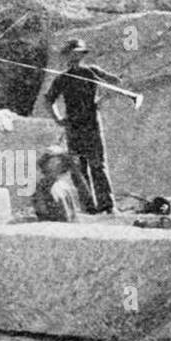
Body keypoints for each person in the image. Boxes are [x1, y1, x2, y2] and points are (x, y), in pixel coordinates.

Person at [44, 38, 121, 214]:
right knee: (79, 169)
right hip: (73, 128)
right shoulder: (62, 79)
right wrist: (58, 118)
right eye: (73, 52)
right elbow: (48, 100)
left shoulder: (91, 72)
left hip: (92, 125)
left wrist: (107, 92)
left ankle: (107, 206)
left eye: (79, 52)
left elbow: (114, 81)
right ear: (68, 55)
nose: (76, 56)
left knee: (98, 166)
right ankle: (89, 207)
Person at [32, 147, 86, 222]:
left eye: (58, 163)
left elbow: (71, 214)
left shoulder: (62, 186)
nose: (54, 166)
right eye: (50, 163)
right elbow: (40, 210)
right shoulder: (40, 186)